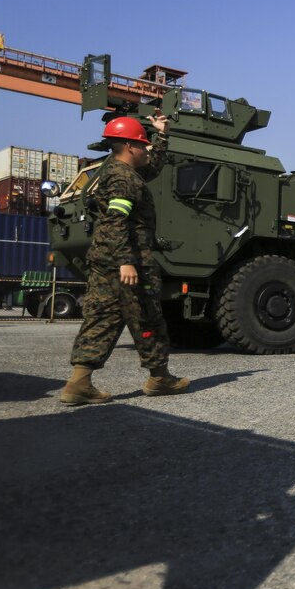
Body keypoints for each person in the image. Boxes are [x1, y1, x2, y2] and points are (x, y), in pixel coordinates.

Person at [60, 112, 190, 405]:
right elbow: (115, 221)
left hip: (106, 260)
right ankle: (159, 379)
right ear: (130, 147)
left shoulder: (116, 172)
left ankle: (78, 383)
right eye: (143, 145)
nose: (146, 149)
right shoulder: (124, 180)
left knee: (102, 318)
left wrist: (162, 134)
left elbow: (152, 166)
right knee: (148, 317)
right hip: (129, 260)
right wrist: (126, 262)